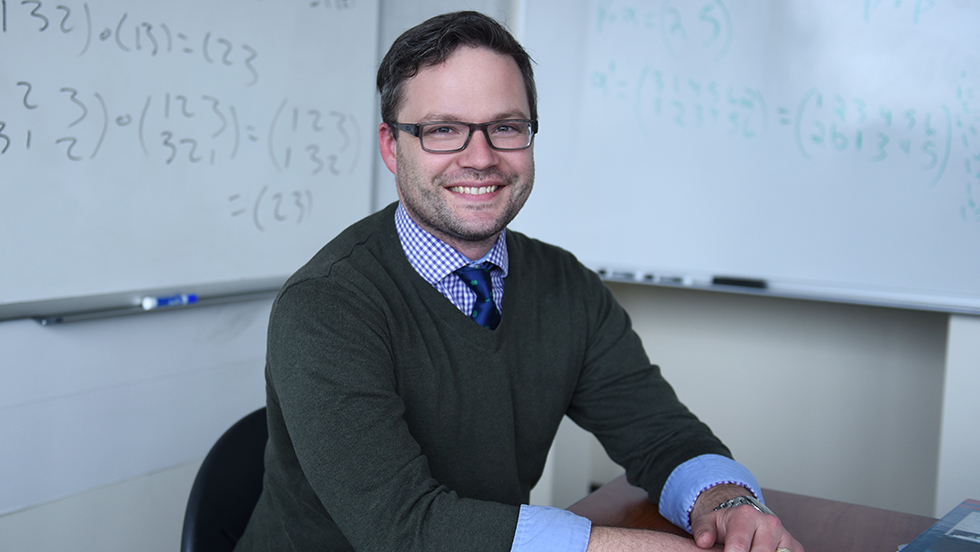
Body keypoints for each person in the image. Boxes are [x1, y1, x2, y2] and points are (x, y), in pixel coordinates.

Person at [235, 10, 803, 552]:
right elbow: (404, 533)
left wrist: (728, 504)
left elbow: (661, 435)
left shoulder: (567, 286)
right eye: (443, 129)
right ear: (391, 146)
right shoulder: (326, 306)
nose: (480, 157)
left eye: (505, 127)